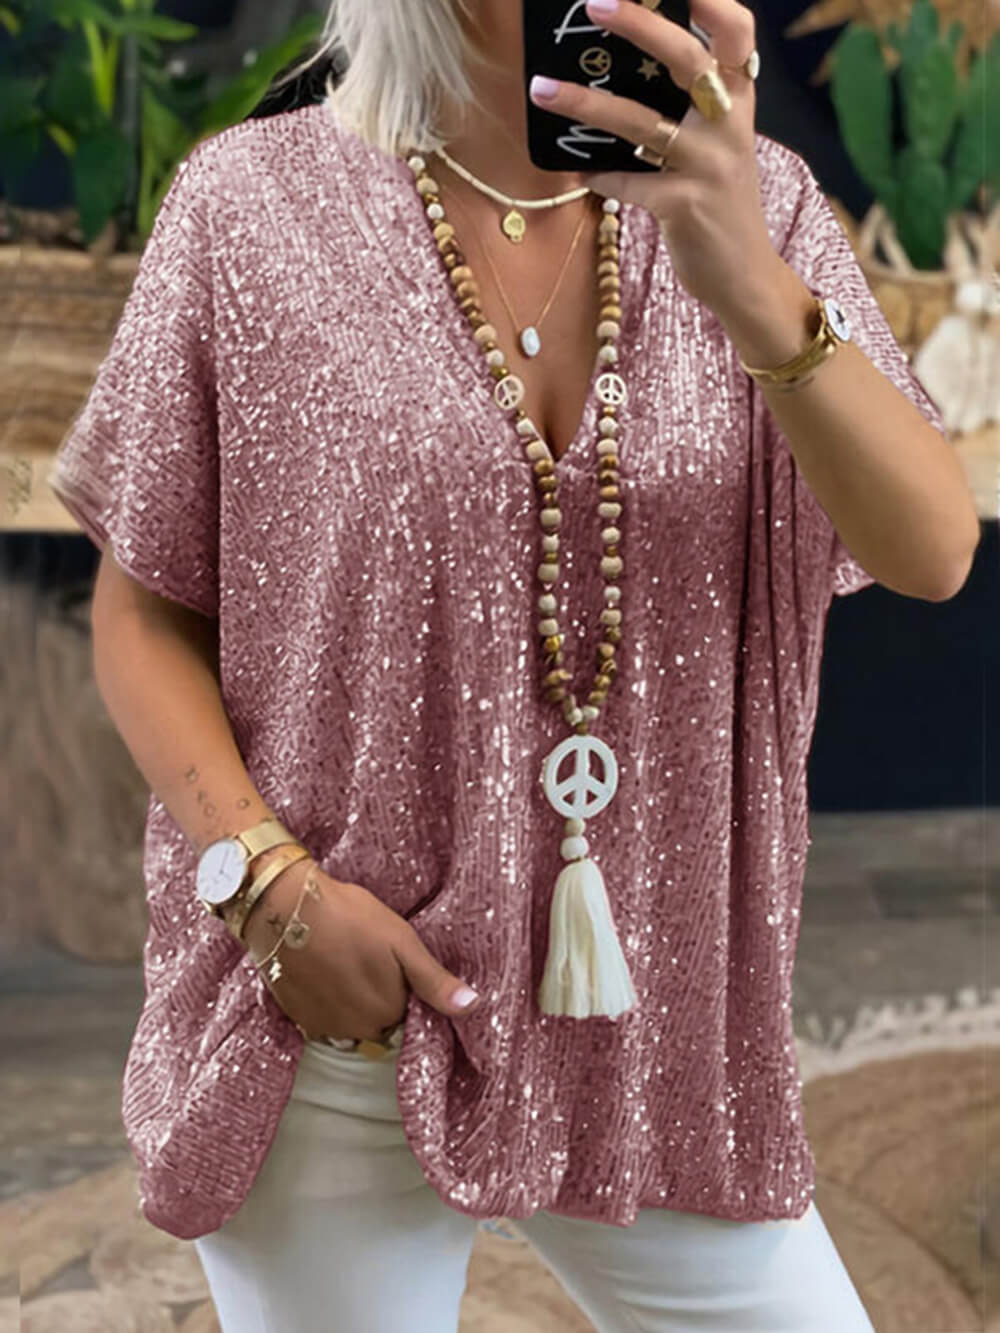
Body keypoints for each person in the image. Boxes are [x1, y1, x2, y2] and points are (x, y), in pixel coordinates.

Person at [47, 0, 978, 1328]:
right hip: (345, 1020)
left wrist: (749, 283)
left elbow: (933, 549)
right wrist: (267, 891)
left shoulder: (755, 204)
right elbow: (143, 613)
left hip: (657, 1037)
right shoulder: (249, 210)